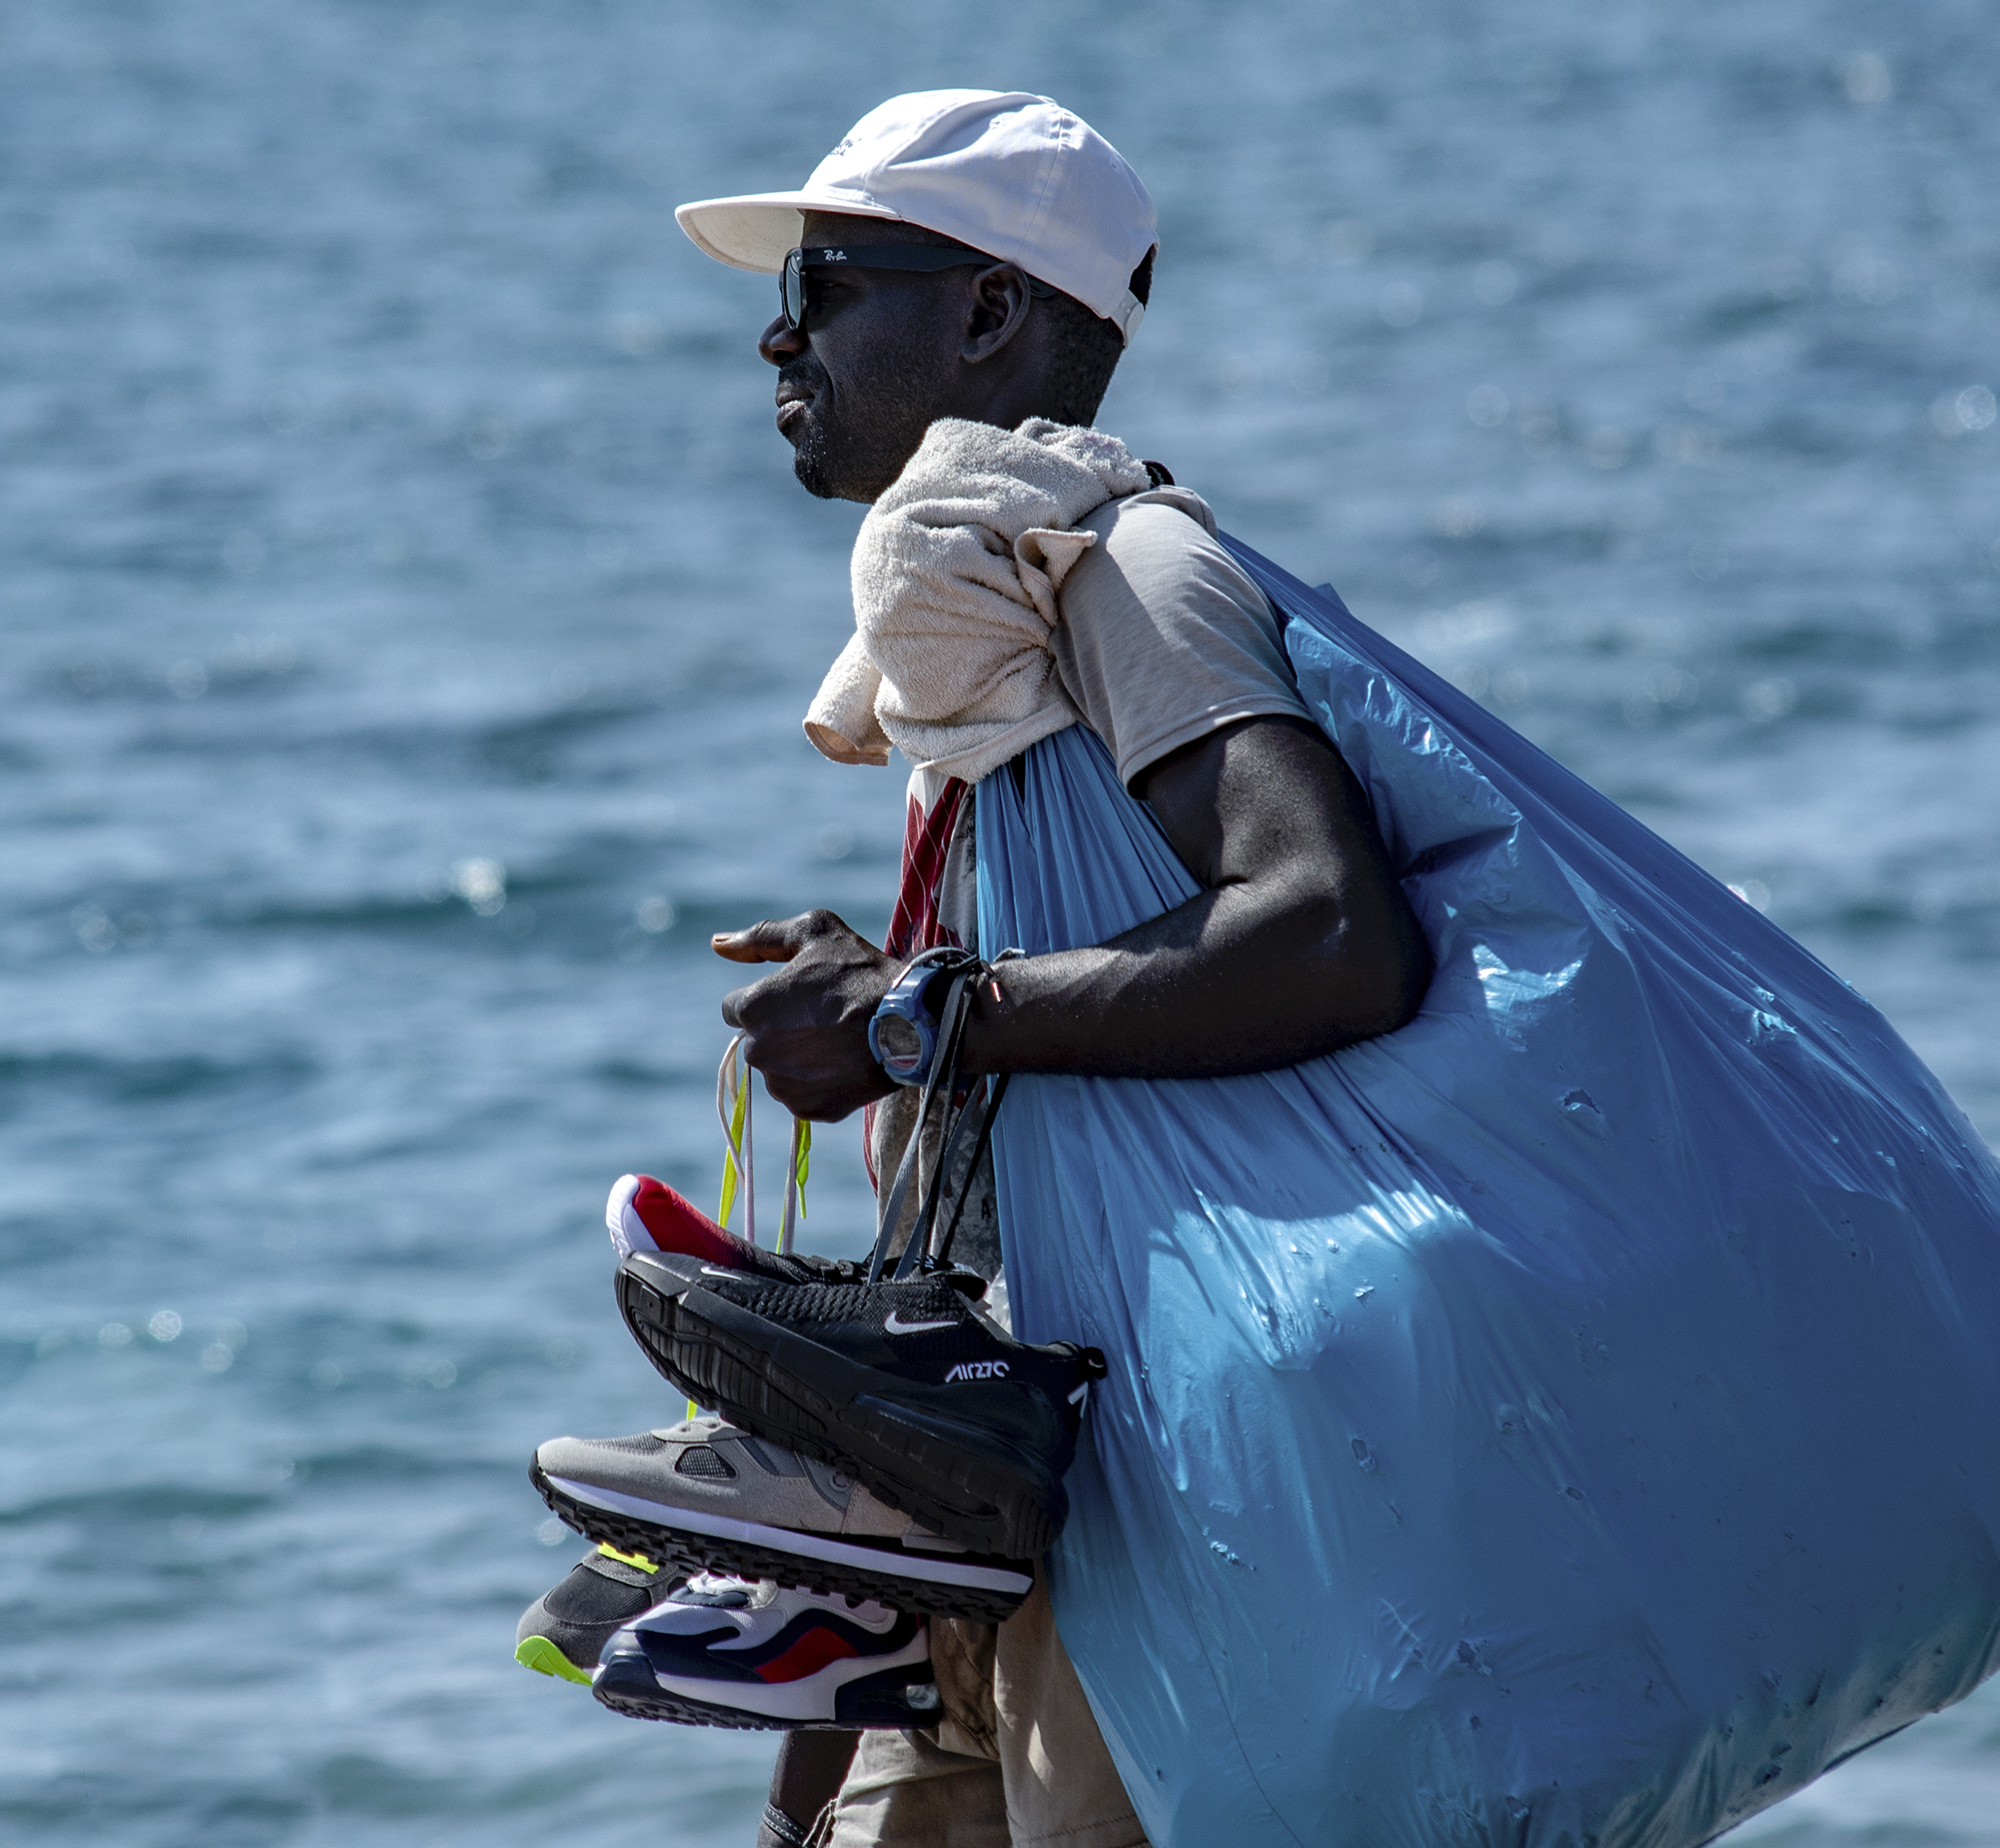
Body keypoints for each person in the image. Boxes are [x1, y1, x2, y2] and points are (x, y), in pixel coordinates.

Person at [677, 92, 1428, 1848]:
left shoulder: (1124, 571)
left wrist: (917, 1012)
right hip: (1000, 1505)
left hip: (1142, 1526)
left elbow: (1325, 924)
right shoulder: (991, 624)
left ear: (993, 313)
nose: (780, 331)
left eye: (831, 280)